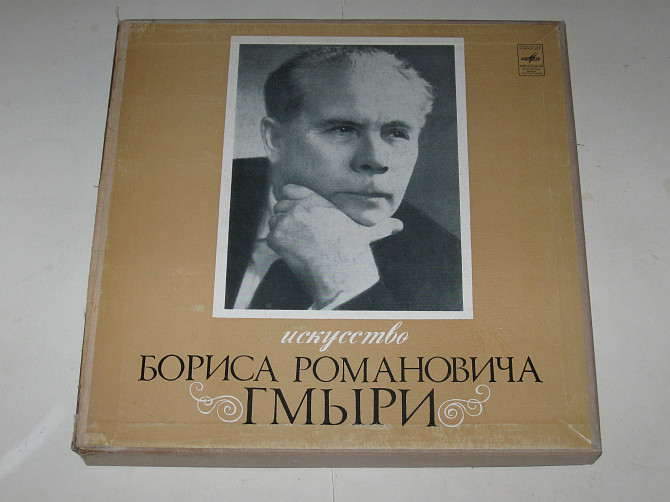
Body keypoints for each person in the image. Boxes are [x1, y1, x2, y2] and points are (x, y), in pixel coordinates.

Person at [224, 46, 462, 311]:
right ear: (275, 140)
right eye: (343, 129)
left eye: (397, 133)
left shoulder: (448, 266)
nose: (376, 160)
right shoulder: (210, 194)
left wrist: (348, 290)